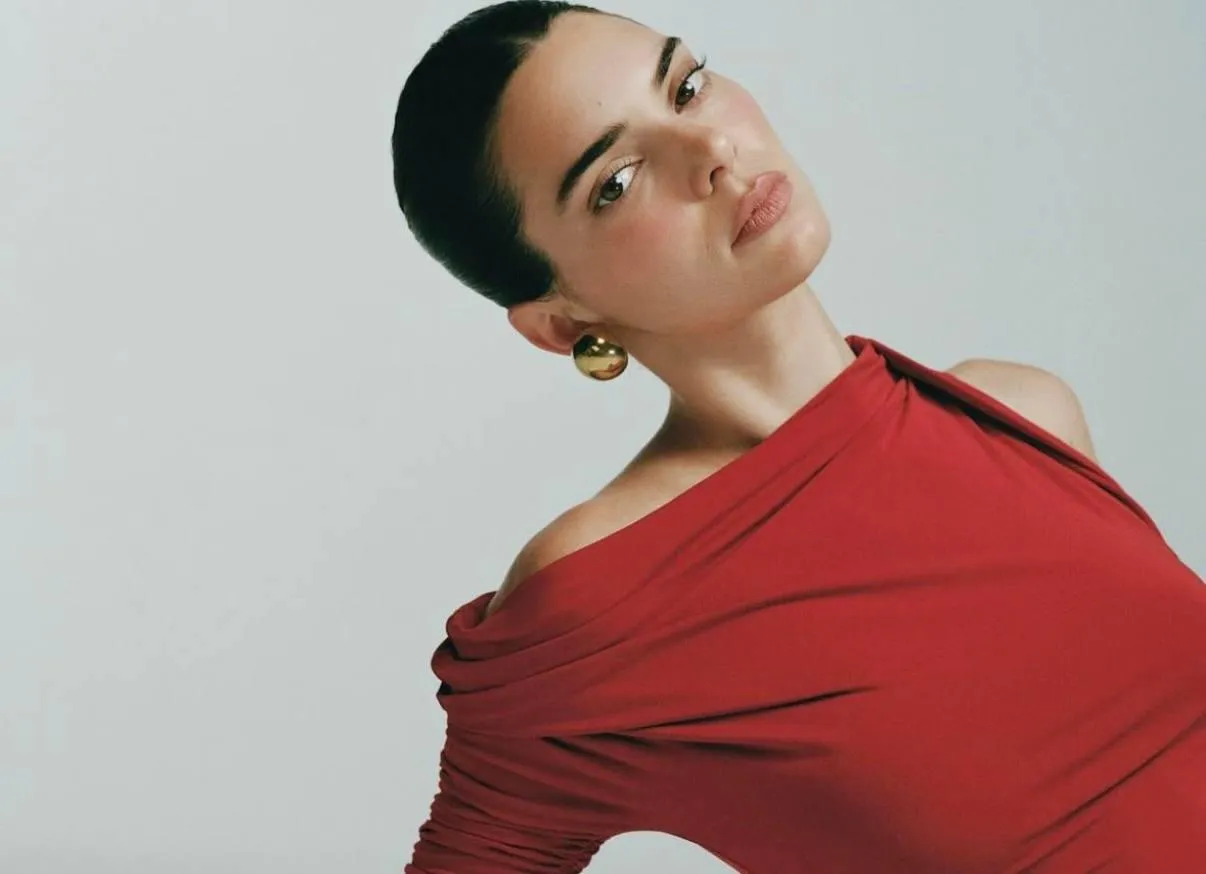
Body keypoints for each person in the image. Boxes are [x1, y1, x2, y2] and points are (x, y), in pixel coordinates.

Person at [390, 3, 1206, 871]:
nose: (711, 153)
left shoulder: (1026, 413)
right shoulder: (596, 605)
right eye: (617, 181)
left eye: (688, 87)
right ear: (561, 321)